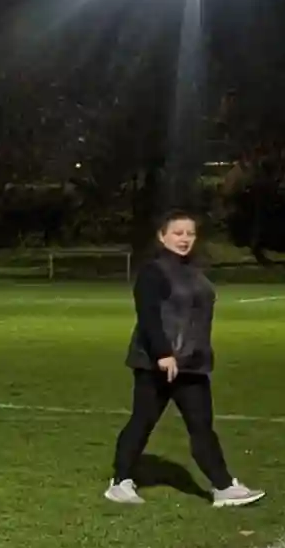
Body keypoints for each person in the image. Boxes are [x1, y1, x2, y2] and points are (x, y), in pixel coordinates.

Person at [105, 210, 264, 509]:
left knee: (202, 427)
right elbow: (149, 316)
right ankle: (120, 482)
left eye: (190, 233)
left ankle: (223, 487)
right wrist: (163, 353)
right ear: (162, 236)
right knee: (143, 422)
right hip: (157, 364)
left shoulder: (194, 272)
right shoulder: (153, 272)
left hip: (193, 364)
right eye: (178, 233)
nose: (185, 239)